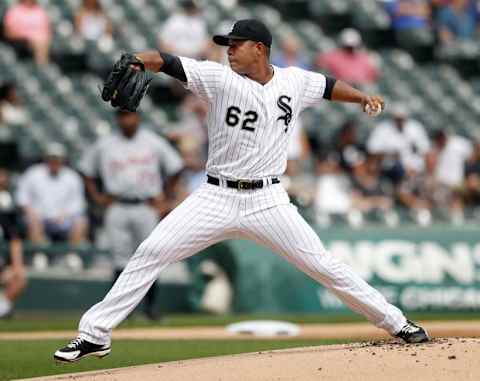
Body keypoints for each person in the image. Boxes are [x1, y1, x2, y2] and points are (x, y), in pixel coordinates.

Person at [54, 19, 429, 363]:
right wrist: (137, 59)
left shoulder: (294, 82)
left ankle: (397, 323)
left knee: (324, 266)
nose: (229, 50)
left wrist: (362, 96)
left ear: (260, 49)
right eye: (227, 44)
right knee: (151, 252)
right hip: (215, 196)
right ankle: (95, 334)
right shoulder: (218, 78)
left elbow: (329, 87)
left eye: (236, 44)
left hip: (268, 201)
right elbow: (166, 61)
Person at [78, 110, 184, 321]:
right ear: (117, 119)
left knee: (152, 255)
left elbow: (176, 167)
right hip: (117, 205)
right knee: (120, 259)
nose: (126, 120)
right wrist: (97, 197)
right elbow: (85, 170)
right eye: (122, 116)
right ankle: (120, 312)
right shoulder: (105, 144)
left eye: (130, 115)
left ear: (138, 118)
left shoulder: (152, 141)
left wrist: (167, 197)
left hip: (146, 205)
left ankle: (151, 308)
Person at [16, 143, 88, 247]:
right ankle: (39, 254)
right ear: (46, 158)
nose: (54, 161)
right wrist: (32, 213)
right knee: (33, 223)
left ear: (63, 159)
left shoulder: (72, 177)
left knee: (81, 222)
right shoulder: (33, 173)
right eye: (51, 158)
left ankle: (72, 255)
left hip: (63, 219)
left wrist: (65, 215)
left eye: (57, 158)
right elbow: (22, 198)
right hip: (38, 218)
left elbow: (78, 204)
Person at [0, 168, 27, 318]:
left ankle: (2, 307)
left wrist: (17, 265)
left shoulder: (4, 215)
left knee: (18, 278)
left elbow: (14, 239)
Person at [3, 0, 51, 65]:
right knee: (39, 41)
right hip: (18, 41)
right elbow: (8, 32)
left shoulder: (39, 11)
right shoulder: (14, 11)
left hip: (38, 40)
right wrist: (27, 36)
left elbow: (46, 30)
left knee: (41, 40)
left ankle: (42, 67)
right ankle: (42, 66)